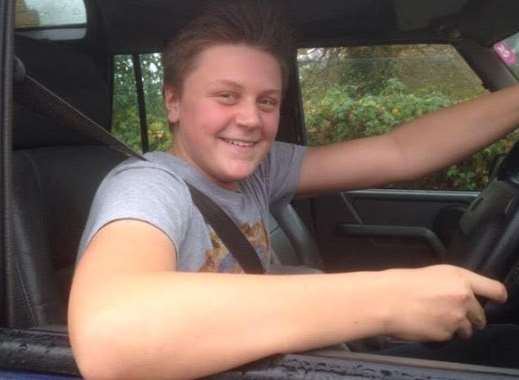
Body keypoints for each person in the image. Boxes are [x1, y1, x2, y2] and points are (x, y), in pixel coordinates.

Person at [68, 1, 519, 379]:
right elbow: (109, 332)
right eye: (226, 96)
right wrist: (386, 299)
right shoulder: (148, 185)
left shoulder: (257, 168)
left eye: (266, 101)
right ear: (173, 101)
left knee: (504, 346)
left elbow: (400, 150)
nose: (250, 118)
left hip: (290, 362)